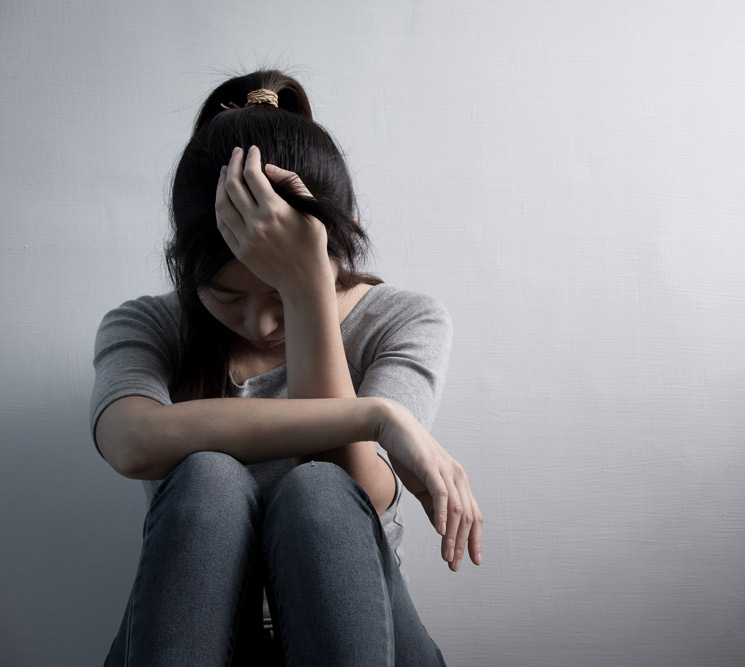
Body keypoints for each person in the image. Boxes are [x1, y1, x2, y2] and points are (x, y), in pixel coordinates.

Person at [91, 69, 482, 666]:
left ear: (329, 253)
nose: (261, 325)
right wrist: (375, 417)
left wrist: (307, 296)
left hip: (362, 635)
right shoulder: (147, 324)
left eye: (277, 298)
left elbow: (357, 490)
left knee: (319, 489)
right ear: (185, 270)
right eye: (226, 296)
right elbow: (131, 441)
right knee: (207, 478)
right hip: (196, 637)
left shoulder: (404, 319)